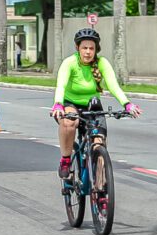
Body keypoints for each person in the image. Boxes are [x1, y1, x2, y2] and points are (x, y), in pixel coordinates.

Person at [50, 28, 142, 178]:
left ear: (96, 49)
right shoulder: (70, 63)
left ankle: (100, 191)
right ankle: (66, 159)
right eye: (84, 48)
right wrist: (58, 104)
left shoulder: (102, 63)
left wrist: (127, 104)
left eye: (91, 48)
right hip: (70, 103)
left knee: (99, 146)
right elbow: (60, 85)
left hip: (93, 106)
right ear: (77, 48)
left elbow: (113, 86)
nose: (87, 52)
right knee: (68, 123)